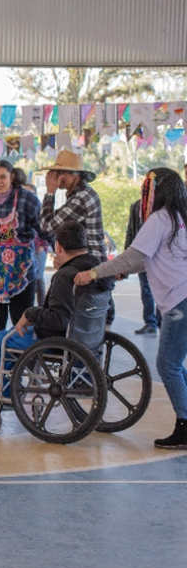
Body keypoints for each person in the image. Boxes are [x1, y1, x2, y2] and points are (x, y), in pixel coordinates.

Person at [74, 168, 187, 449]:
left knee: (167, 365)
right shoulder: (178, 218)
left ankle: (185, 426)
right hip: (181, 299)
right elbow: (145, 259)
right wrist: (121, 272)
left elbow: (134, 255)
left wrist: (96, 272)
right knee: (176, 364)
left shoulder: (159, 219)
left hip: (179, 302)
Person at [0, 221, 113, 412]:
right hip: (89, 339)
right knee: (14, 339)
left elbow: (58, 319)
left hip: (58, 341)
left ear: (58, 246)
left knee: (3, 339)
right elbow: (107, 310)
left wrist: (30, 313)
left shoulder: (66, 275)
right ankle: (8, 395)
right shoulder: (97, 271)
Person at [0, 160, 48, 341]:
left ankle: (23, 365)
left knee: (22, 323)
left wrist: (59, 250)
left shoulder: (28, 199)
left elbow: (44, 229)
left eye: (3, 177)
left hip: (22, 273)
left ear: (12, 176)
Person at [39, 150, 112, 324]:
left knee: (68, 313)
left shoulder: (82, 197)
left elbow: (47, 226)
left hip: (90, 266)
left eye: (61, 172)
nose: (57, 177)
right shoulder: (79, 195)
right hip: (90, 263)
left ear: (74, 174)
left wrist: (50, 193)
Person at [125, 199, 160, 335]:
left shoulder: (161, 205)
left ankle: (159, 320)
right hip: (141, 253)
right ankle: (150, 322)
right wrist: (128, 252)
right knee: (146, 290)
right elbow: (130, 230)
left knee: (159, 290)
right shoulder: (136, 206)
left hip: (157, 255)